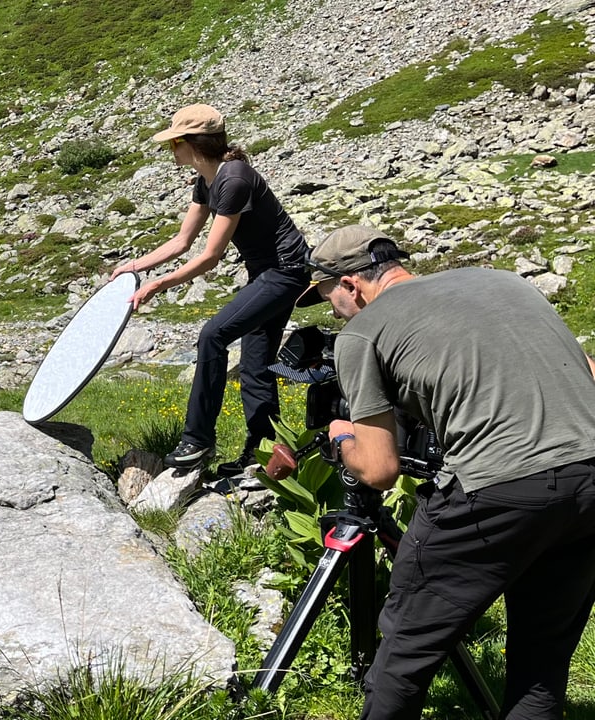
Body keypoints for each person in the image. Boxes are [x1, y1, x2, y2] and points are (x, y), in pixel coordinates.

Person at [296, 224, 595, 719]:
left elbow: (380, 470)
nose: (333, 312)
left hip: (496, 485)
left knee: (406, 657)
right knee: (541, 663)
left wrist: (340, 433)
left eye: (329, 298)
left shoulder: (364, 331)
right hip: (589, 476)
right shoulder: (503, 282)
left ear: (351, 284)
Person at [109, 103, 310, 474]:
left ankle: (197, 440)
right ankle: (264, 453)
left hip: (285, 271)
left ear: (193, 143)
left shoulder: (233, 180)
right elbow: (183, 241)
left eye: (174, 143)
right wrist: (134, 266)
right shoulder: (207, 179)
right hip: (266, 272)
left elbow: (211, 255)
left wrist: (159, 284)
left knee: (213, 335)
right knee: (256, 363)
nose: (171, 151)